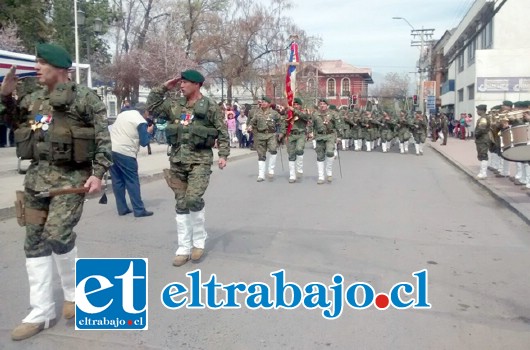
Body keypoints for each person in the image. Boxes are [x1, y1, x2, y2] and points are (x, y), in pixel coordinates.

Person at [0, 43, 112, 340]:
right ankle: (41, 312)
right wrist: (4, 96)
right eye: (36, 63)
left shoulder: (85, 98)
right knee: (34, 243)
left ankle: (75, 291)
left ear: (61, 68)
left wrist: (98, 174)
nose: (36, 68)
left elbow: (103, 140)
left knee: (58, 234)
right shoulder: (32, 96)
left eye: (42, 63)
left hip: (70, 179)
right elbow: (10, 124)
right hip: (36, 179)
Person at [147, 70, 229, 267]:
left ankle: (198, 241)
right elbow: (152, 106)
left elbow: (222, 131)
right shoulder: (175, 105)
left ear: (197, 84)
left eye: (185, 82)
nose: (181, 86)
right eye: (180, 82)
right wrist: (164, 87)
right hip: (177, 161)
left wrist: (223, 155)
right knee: (181, 203)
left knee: (193, 199)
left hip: (199, 161)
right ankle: (183, 247)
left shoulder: (209, 106)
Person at [109, 103, 154, 217]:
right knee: (132, 180)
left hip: (111, 150)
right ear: (145, 112)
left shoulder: (122, 115)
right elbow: (144, 142)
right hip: (126, 152)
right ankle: (139, 210)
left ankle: (122, 208)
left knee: (117, 181)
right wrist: (149, 132)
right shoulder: (140, 121)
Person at [247, 96, 285, 181]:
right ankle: (261, 175)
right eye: (262, 102)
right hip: (260, 135)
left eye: (265, 102)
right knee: (261, 155)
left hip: (271, 134)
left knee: (273, 150)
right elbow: (252, 122)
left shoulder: (274, 113)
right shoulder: (257, 113)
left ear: (269, 104)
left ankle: (271, 169)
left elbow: (281, 121)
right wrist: (249, 127)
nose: (263, 103)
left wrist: (281, 132)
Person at [312, 99, 342, 184]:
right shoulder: (315, 114)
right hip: (319, 136)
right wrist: (310, 133)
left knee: (330, 153)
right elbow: (311, 125)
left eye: (324, 104)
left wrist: (339, 137)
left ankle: (329, 172)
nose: (322, 105)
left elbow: (338, 126)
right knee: (320, 156)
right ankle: (321, 176)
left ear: (327, 105)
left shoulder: (333, 114)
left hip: (330, 136)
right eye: (320, 104)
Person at [286, 97, 311, 183]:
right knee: (291, 155)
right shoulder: (290, 113)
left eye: (297, 105)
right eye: (294, 104)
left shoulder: (304, 112)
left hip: (301, 134)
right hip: (291, 135)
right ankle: (292, 175)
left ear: (300, 106)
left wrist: (294, 110)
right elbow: (285, 122)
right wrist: (282, 134)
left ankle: (299, 168)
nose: (295, 106)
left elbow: (305, 117)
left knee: (299, 150)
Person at [474, 105, 490, 179]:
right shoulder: (483, 118)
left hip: (483, 139)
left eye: (478, 110)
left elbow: (481, 129)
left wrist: (476, 134)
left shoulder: (483, 118)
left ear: (482, 110)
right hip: (481, 139)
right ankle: (482, 172)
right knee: (481, 155)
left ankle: (483, 173)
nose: (477, 111)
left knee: (483, 155)